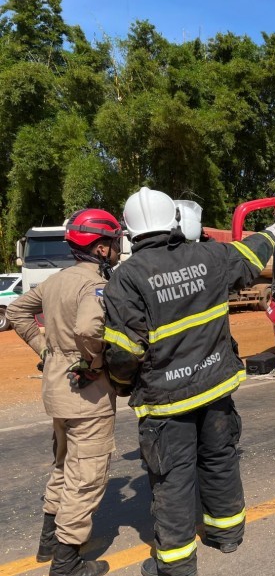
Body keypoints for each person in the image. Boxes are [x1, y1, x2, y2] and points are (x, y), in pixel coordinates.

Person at [102, 188, 275, 576]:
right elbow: (250, 256)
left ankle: (177, 564)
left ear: (130, 232)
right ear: (175, 221)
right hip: (215, 387)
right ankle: (227, 534)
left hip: (166, 400)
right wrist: (274, 230)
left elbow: (123, 353)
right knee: (220, 459)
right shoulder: (210, 256)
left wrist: (119, 383)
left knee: (173, 478)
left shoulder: (126, 279)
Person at [6, 209, 123, 576]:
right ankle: (67, 561)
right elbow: (90, 330)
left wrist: (46, 350)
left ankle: (48, 543)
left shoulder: (55, 282)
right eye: (115, 244)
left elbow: (16, 310)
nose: (118, 250)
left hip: (57, 390)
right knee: (86, 475)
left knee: (63, 466)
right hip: (86, 395)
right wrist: (92, 363)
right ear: (102, 249)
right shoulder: (93, 285)